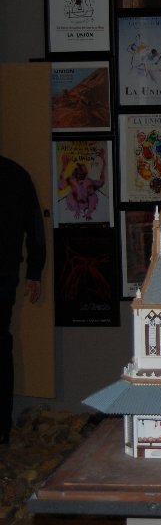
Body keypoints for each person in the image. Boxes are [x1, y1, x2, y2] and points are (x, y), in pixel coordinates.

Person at [0, 155, 46, 445]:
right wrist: (34, 270)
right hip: (5, 273)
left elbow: (34, 224)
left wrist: (35, 270)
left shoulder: (14, 175)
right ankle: (2, 427)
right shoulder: (15, 174)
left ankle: (2, 426)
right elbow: (35, 226)